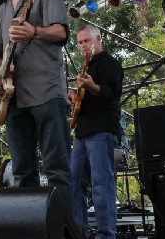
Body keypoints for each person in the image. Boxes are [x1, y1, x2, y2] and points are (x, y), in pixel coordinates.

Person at [0, 0, 72, 209]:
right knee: (22, 171)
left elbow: (61, 31)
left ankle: (64, 230)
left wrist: (34, 31)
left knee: (57, 168)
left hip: (46, 91)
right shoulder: (2, 9)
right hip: (14, 98)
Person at [67, 24, 124, 239]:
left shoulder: (110, 63)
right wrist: (74, 95)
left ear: (98, 38)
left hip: (102, 129)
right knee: (74, 184)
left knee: (101, 183)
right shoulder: (86, 66)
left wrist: (92, 87)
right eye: (80, 42)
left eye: (86, 41)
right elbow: (84, 99)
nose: (83, 45)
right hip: (83, 132)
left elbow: (112, 93)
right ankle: (78, 232)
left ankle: (106, 235)